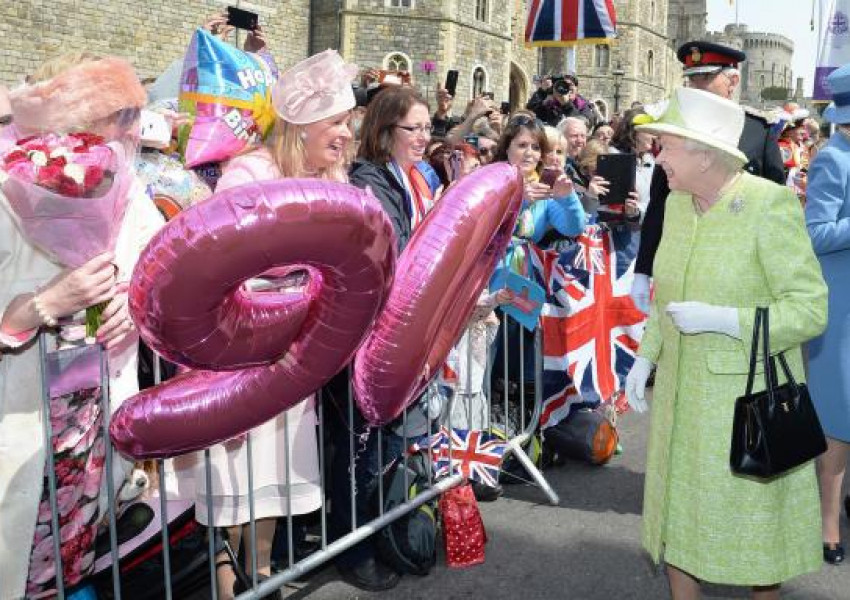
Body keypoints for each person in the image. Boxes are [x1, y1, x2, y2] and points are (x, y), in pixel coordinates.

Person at [625, 87, 827, 599]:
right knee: (676, 525)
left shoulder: (769, 205)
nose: (657, 156)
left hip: (741, 409)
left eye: (666, 145)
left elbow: (809, 309)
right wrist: (643, 359)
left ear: (702, 152)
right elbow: (666, 297)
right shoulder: (673, 204)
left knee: (754, 539)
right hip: (677, 406)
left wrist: (726, 320)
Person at [175, 49, 355, 599]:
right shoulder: (249, 175)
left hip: (292, 362)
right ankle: (229, 588)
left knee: (274, 487)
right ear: (300, 126)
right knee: (235, 485)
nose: (347, 134)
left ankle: (259, 579)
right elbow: (216, 268)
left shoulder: (333, 177)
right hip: (243, 358)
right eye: (338, 122)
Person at [0, 53, 162, 600]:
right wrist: (46, 304)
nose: (136, 130)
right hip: (20, 429)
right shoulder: (8, 191)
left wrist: (133, 307)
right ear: (83, 119)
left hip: (87, 426)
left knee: (70, 560)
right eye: (124, 116)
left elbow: (156, 268)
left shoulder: (129, 191)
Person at [631, 41, 786, 314]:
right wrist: (643, 270)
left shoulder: (757, 131)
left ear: (732, 80)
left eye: (705, 77)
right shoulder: (675, 131)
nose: (697, 86)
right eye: (692, 79)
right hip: (682, 268)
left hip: (739, 270)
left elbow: (776, 207)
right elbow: (659, 202)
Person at [804, 63, 850, 566]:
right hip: (840, 307)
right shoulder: (832, 159)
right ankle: (827, 525)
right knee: (839, 420)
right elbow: (816, 233)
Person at [526, 74, 598, 128]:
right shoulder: (550, 105)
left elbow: (583, 124)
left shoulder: (584, 105)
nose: (567, 88)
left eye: (570, 85)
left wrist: (566, 104)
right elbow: (528, 114)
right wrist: (542, 92)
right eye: (563, 85)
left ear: (576, 88)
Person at [559, 116, 590, 187]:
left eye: (583, 136)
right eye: (574, 136)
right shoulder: (555, 167)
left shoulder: (586, 164)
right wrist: (590, 194)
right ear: (561, 137)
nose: (580, 141)